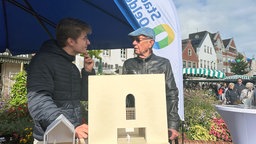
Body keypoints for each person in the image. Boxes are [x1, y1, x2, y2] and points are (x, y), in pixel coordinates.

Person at [26, 18, 95, 143]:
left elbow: (83, 95)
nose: (88, 42)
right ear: (71, 41)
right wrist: (70, 128)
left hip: (71, 135)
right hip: (51, 138)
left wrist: (87, 72)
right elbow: (38, 102)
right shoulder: (42, 61)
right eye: (84, 38)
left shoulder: (71, 66)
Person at [122, 27, 180, 140]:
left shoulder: (163, 64)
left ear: (150, 43)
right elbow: (123, 95)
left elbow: (171, 94)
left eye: (138, 40)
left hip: (157, 119)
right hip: (134, 120)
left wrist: (172, 125)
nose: (133, 43)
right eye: (133, 40)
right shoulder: (128, 64)